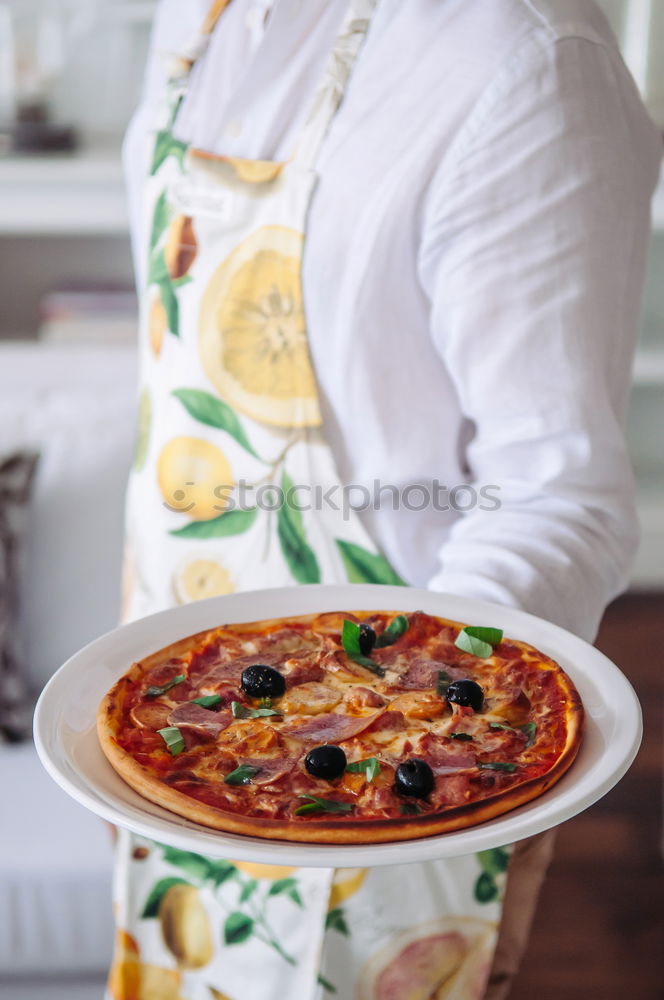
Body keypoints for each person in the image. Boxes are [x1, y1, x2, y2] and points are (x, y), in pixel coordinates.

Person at [109, 1, 662, 998]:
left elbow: (556, 495)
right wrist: (150, 718)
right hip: (172, 726)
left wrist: (363, 739)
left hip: (385, 785)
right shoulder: (193, 14)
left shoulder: (528, 60)